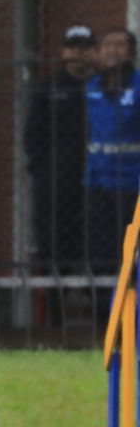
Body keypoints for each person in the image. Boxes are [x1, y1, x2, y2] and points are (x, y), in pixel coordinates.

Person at [23, 25, 95, 293]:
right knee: (54, 247)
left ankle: (100, 310)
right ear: (64, 51)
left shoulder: (102, 86)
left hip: (95, 180)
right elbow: (33, 135)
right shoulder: (49, 87)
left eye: (85, 47)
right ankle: (55, 312)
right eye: (74, 47)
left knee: (94, 245)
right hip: (56, 183)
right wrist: (45, 172)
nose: (79, 53)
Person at [84, 27, 140, 274]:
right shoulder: (91, 87)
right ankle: (104, 307)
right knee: (100, 251)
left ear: (131, 53)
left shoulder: (138, 85)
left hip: (131, 183)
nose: (113, 50)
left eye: (120, 44)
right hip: (97, 182)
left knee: (129, 249)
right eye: (107, 44)